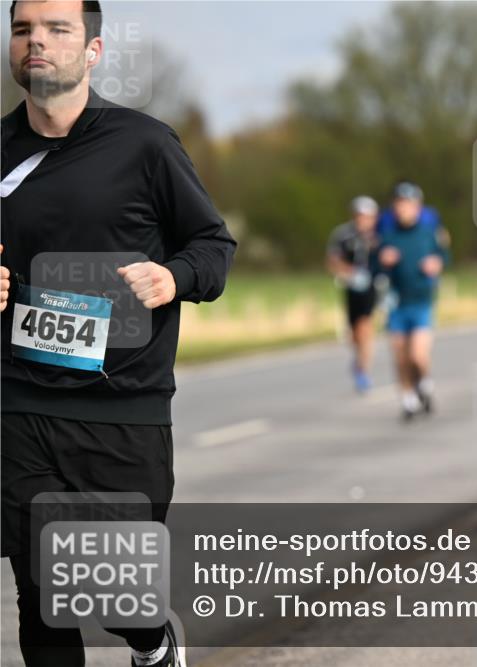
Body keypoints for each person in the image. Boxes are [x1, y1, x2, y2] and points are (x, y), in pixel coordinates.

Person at [1, 2, 236, 666]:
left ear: (94, 51)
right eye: (22, 30)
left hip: (122, 408)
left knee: (111, 596)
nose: (36, 41)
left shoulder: (144, 143)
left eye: (56, 28)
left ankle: (150, 638)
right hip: (18, 399)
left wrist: (174, 277)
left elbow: (213, 246)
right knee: (43, 588)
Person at [377, 182, 447, 421]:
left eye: (408, 204)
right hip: (396, 303)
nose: (403, 209)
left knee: (418, 355)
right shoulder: (387, 235)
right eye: (399, 204)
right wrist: (383, 261)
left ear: (417, 207)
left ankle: (424, 383)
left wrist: (435, 264)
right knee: (400, 356)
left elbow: (443, 257)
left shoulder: (428, 234)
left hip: (421, 301)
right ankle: (408, 400)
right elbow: (374, 267)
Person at [327, 196, 380, 393]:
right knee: (354, 334)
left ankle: (363, 371)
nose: (363, 220)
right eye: (360, 216)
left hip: (373, 287)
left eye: (367, 216)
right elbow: (332, 260)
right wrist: (349, 272)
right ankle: (359, 360)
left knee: (365, 327)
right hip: (352, 288)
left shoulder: (380, 235)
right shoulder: (343, 235)